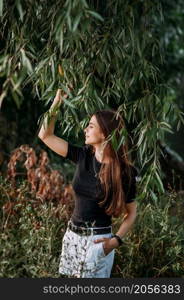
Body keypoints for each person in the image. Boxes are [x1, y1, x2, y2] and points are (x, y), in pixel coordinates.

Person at [38, 89, 137, 278]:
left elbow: (131, 213)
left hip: (98, 242)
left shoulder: (125, 172)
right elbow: (45, 135)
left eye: (91, 126)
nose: (86, 129)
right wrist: (57, 102)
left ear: (105, 133)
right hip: (72, 236)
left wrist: (115, 242)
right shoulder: (83, 156)